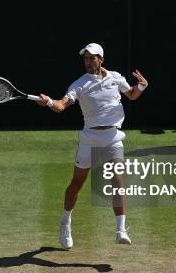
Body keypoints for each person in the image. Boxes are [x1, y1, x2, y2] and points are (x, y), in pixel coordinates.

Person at [36, 43, 148, 249]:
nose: (88, 62)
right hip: (89, 138)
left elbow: (131, 95)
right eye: (85, 58)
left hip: (113, 137)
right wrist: (50, 102)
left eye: (91, 58)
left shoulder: (116, 77)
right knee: (77, 183)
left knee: (118, 180)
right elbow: (62, 105)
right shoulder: (79, 84)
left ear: (101, 60)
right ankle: (65, 221)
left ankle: (121, 230)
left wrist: (141, 86)